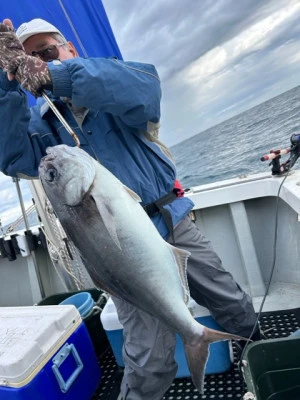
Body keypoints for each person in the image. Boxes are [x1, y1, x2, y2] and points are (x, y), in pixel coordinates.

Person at [0, 18, 262, 400]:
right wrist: (6, 84)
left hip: (171, 219)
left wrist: (57, 76)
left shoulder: (113, 86)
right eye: (30, 58)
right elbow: (12, 157)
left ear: (70, 48)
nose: (39, 60)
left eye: (48, 52)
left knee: (230, 300)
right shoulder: (42, 130)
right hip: (115, 251)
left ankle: (258, 353)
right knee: (148, 357)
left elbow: (144, 90)